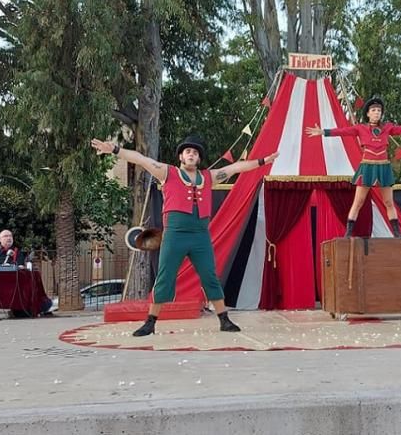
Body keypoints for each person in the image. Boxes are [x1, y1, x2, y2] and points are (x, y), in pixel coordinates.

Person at [91, 135, 279, 336]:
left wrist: (263, 161)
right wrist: (114, 150)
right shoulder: (167, 172)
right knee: (164, 277)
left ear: (198, 159)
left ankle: (224, 320)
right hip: (175, 235)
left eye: (195, 152)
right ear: (181, 157)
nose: (191, 154)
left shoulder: (208, 177)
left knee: (210, 276)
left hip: (200, 236)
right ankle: (150, 322)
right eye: (188, 151)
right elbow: (141, 159)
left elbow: (236, 168)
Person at [305, 97, 401, 237]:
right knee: (358, 202)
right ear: (368, 113)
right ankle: (348, 233)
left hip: (383, 167)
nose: (377, 113)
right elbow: (343, 131)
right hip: (367, 167)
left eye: (379, 110)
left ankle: (397, 233)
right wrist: (323, 132)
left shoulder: (387, 127)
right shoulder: (360, 128)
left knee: (388, 202)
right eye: (374, 110)